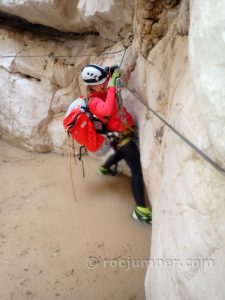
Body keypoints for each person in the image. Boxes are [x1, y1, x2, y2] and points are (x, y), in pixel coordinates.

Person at [81, 64, 152, 224]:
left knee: (120, 154)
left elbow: (113, 95)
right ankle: (141, 210)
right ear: (92, 85)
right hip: (119, 137)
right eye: (102, 82)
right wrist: (112, 85)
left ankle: (104, 169)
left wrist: (113, 75)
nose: (105, 84)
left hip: (122, 131)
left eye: (105, 81)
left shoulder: (103, 90)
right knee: (136, 169)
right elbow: (106, 110)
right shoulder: (93, 101)